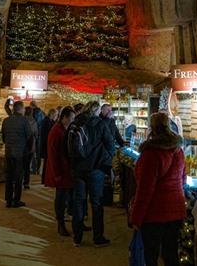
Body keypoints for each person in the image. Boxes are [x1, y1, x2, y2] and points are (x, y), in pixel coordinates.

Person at [129, 112, 186, 266]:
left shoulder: (151, 154)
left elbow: (144, 190)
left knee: (151, 255)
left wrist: (136, 218)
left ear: (152, 128)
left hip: (154, 212)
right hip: (175, 210)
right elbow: (182, 180)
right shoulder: (178, 151)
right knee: (171, 253)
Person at [67, 101, 115, 247]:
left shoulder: (75, 123)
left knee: (78, 202)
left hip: (79, 169)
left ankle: (77, 237)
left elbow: (67, 146)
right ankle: (98, 237)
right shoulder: (100, 124)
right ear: (96, 111)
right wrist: (106, 160)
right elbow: (110, 144)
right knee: (97, 203)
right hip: (96, 168)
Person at [44, 106, 75, 236]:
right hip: (60, 170)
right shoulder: (56, 131)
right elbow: (53, 154)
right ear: (64, 118)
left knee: (65, 196)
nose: (72, 121)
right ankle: (60, 223)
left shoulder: (64, 129)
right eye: (71, 118)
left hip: (65, 169)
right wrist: (56, 173)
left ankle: (65, 222)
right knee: (61, 197)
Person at [1, 100, 32, 207]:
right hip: (20, 152)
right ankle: (16, 200)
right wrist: (28, 150)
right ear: (21, 109)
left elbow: (3, 137)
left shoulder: (6, 120)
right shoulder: (24, 121)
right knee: (18, 177)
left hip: (9, 152)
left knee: (9, 176)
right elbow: (29, 137)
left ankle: (8, 200)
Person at [40, 108, 58, 184]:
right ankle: (45, 179)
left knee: (46, 162)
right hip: (46, 145)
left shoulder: (47, 121)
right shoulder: (47, 122)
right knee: (47, 162)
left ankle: (45, 178)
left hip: (45, 144)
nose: (56, 116)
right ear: (52, 114)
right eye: (56, 115)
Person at [23, 106, 39, 189]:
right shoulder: (33, 121)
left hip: (22, 145)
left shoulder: (22, 120)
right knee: (27, 165)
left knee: (21, 164)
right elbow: (36, 134)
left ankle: (19, 180)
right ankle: (26, 182)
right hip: (31, 145)